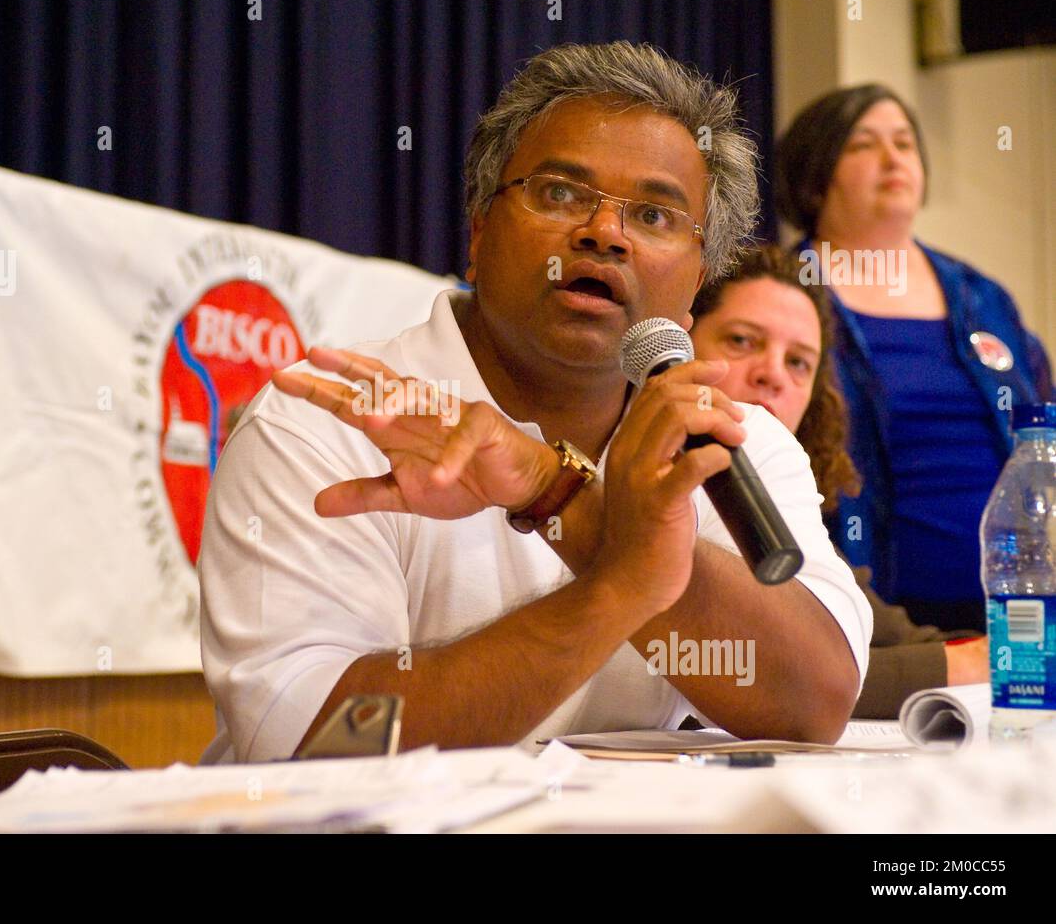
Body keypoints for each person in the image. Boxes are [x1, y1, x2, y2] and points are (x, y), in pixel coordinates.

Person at [198, 42, 871, 764]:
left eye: (654, 215)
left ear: (697, 281)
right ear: (480, 233)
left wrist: (563, 500)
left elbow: (814, 703)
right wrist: (620, 584)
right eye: (559, 193)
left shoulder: (737, 438)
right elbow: (313, 747)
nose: (604, 233)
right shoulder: (324, 426)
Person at [777, 84, 1053, 633]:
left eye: (904, 142)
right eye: (863, 145)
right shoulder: (783, 295)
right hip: (869, 614)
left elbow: (1041, 430)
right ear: (814, 176)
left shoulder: (982, 296)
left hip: (1014, 607)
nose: (893, 158)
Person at [688, 244, 987, 720]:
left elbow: (884, 632)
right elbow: (786, 680)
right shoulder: (654, 480)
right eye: (742, 341)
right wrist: (970, 664)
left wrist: (994, 655)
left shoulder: (792, 496)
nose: (773, 376)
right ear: (681, 343)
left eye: (798, 362)